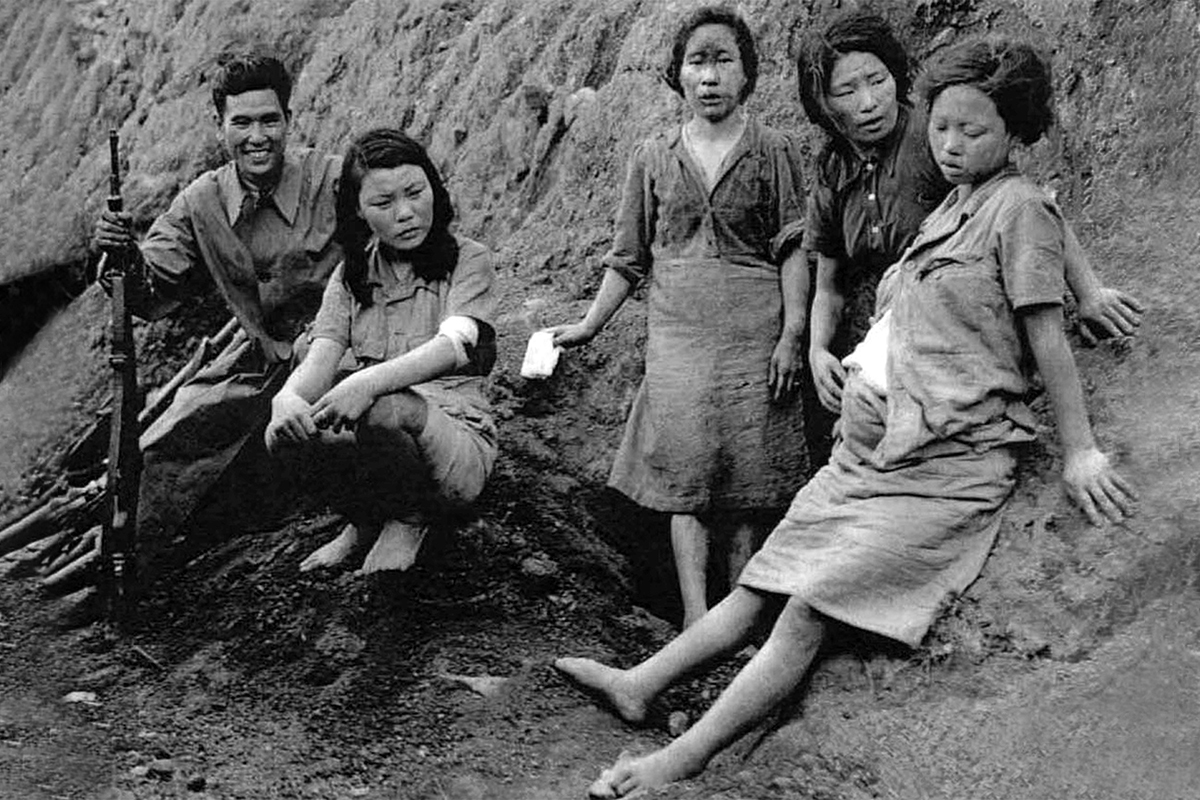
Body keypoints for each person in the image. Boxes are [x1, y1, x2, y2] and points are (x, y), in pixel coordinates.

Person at [556, 37, 1137, 798]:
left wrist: (1081, 448)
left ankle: (675, 763)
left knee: (803, 611)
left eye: (975, 132)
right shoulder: (950, 202)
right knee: (762, 581)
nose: (953, 146)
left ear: (1016, 134)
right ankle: (641, 683)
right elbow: (841, 276)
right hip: (869, 456)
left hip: (944, 467)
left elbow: (1046, 334)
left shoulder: (1017, 208)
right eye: (942, 130)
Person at [548, 6, 810, 628]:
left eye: (724, 60)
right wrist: (589, 324)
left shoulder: (775, 151)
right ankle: (694, 619)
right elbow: (628, 257)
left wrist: (793, 336)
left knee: (749, 485)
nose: (711, 75)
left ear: (747, 73)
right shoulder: (652, 156)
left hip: (755, 333)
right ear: (678, 75)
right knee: (685, 483)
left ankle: (738, 623)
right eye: (698, 61)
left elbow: (796, 248)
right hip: (678, 339)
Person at [797, 11, 1143, 415]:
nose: (869, 102)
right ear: (822, 103)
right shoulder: (833, 170)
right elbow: (829, 285)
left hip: (962, 320)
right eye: (847, 91)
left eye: (878, 80)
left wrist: (1088, 292)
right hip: (889, 330)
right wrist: (818, 351)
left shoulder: (938, 133)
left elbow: (1026, 205)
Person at [91, 53, 342, 565]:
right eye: (241, 122)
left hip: (340, 353)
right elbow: (149, 288)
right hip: (257, 362)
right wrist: (119, 257)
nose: (258, 136)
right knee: (168, 450)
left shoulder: (334, 179)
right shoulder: (200, 202)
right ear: (219, 126)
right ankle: (140, 570)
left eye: (270, 120)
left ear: (289, 120)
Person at [264, 128, 498, 574]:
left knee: (383, 404)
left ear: (434, 187)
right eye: (384, 203)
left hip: (454, 445)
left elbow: (456, 345)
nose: (406, 213)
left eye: (415, 193)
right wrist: (286, 401)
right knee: (287, 432)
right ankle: (363, 520)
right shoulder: (350, 277)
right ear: (359, 210)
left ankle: (409, 519)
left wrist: (367, 381)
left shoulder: (469, 260)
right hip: (381, 442)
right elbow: (318, 362)